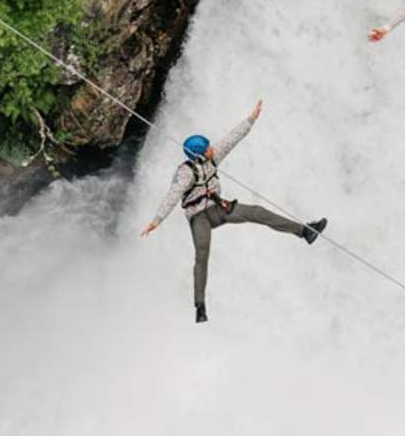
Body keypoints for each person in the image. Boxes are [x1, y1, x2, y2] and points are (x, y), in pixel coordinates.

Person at [139, 99, 327, 323]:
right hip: (199, 218)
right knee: (202, 253)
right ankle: (200, 306)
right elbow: (173, 195)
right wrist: (156, 220)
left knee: (257, 212)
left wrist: (251, 119)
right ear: (199, 154)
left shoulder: (213, 157)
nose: (212, 148)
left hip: (219, 208)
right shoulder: (185, 173)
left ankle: (304, 231)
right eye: (207, 147)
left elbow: (232, 139)